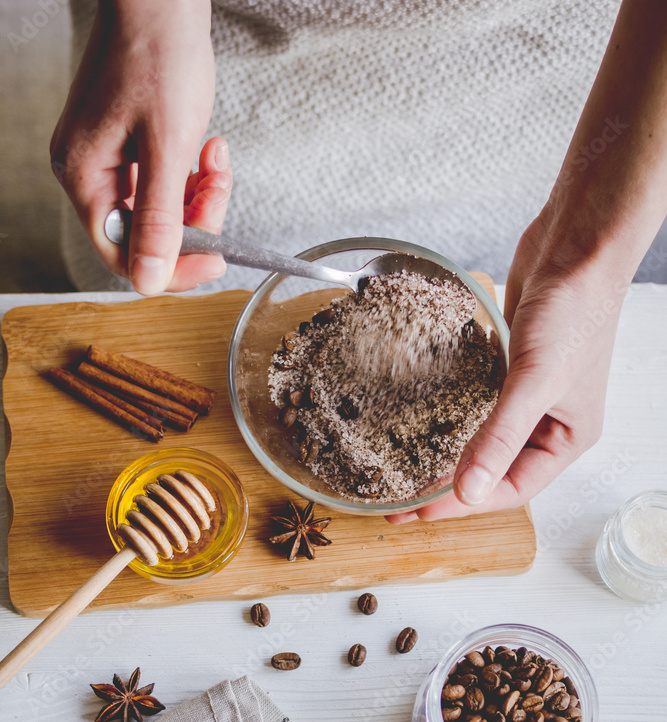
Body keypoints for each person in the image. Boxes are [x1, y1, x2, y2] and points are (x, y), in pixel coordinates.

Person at [50, 0, 667, 521]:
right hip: (223, 78)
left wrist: (591, 248)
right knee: (152, 260)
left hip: (583, 109)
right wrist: (148, 17)